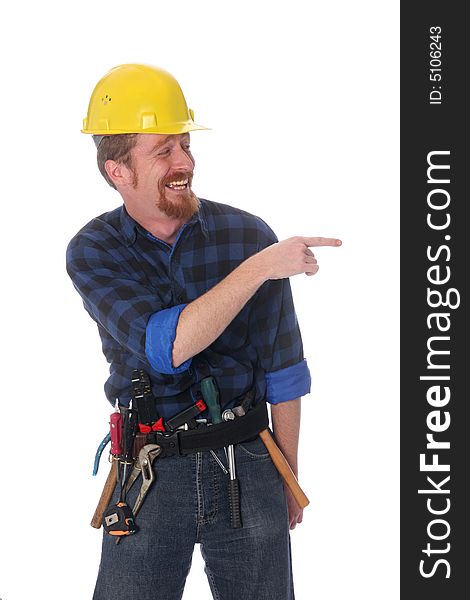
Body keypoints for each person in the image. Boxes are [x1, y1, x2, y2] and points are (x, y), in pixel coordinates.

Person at [66, 63, 341, 600]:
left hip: (250, 460)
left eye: (186, 145)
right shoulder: (94, 250)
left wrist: (288, 472)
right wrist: (260, 267)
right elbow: (165, 347)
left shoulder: (246, 233)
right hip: (150, 472)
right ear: (116, 170)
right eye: (163, 150)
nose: (185, 162)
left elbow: (284, 367)